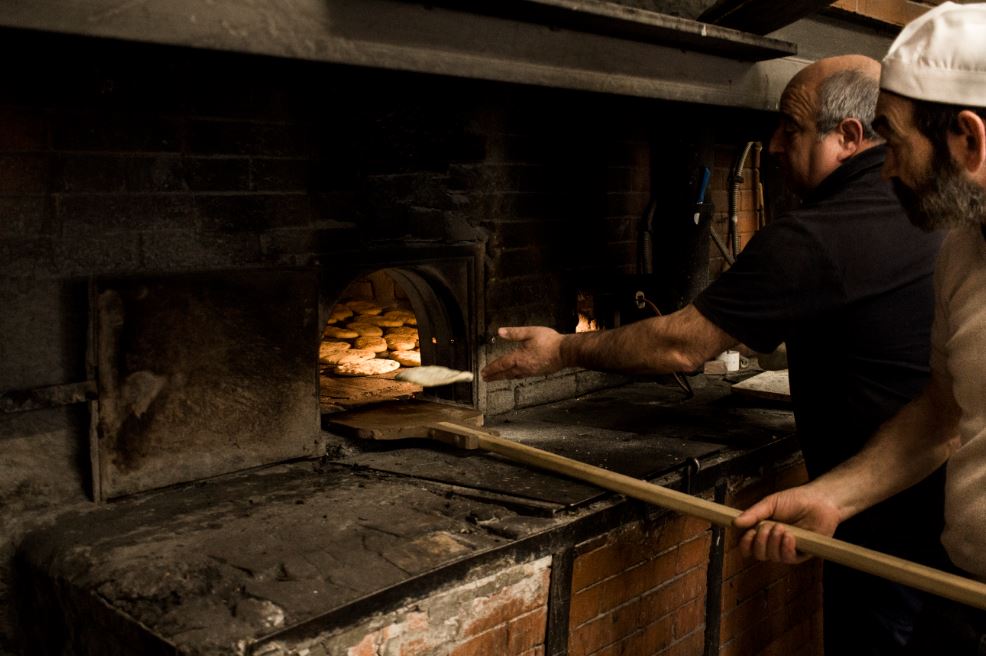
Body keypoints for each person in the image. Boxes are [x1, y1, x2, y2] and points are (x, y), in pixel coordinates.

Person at [482, 54, 947, 654]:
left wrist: (563, 350)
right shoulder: (927, 207)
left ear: (849, 137)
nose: (774, 146)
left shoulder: (820, 234)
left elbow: (680, 344)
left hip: (886, 521)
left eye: (790, 128)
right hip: (931, 508)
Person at [734, 3, 986, 654]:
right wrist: (833, 497)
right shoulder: (961, 250)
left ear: (969, 139)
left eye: (896, 144)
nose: (889, 170)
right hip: (960, 601)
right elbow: (940, 413)